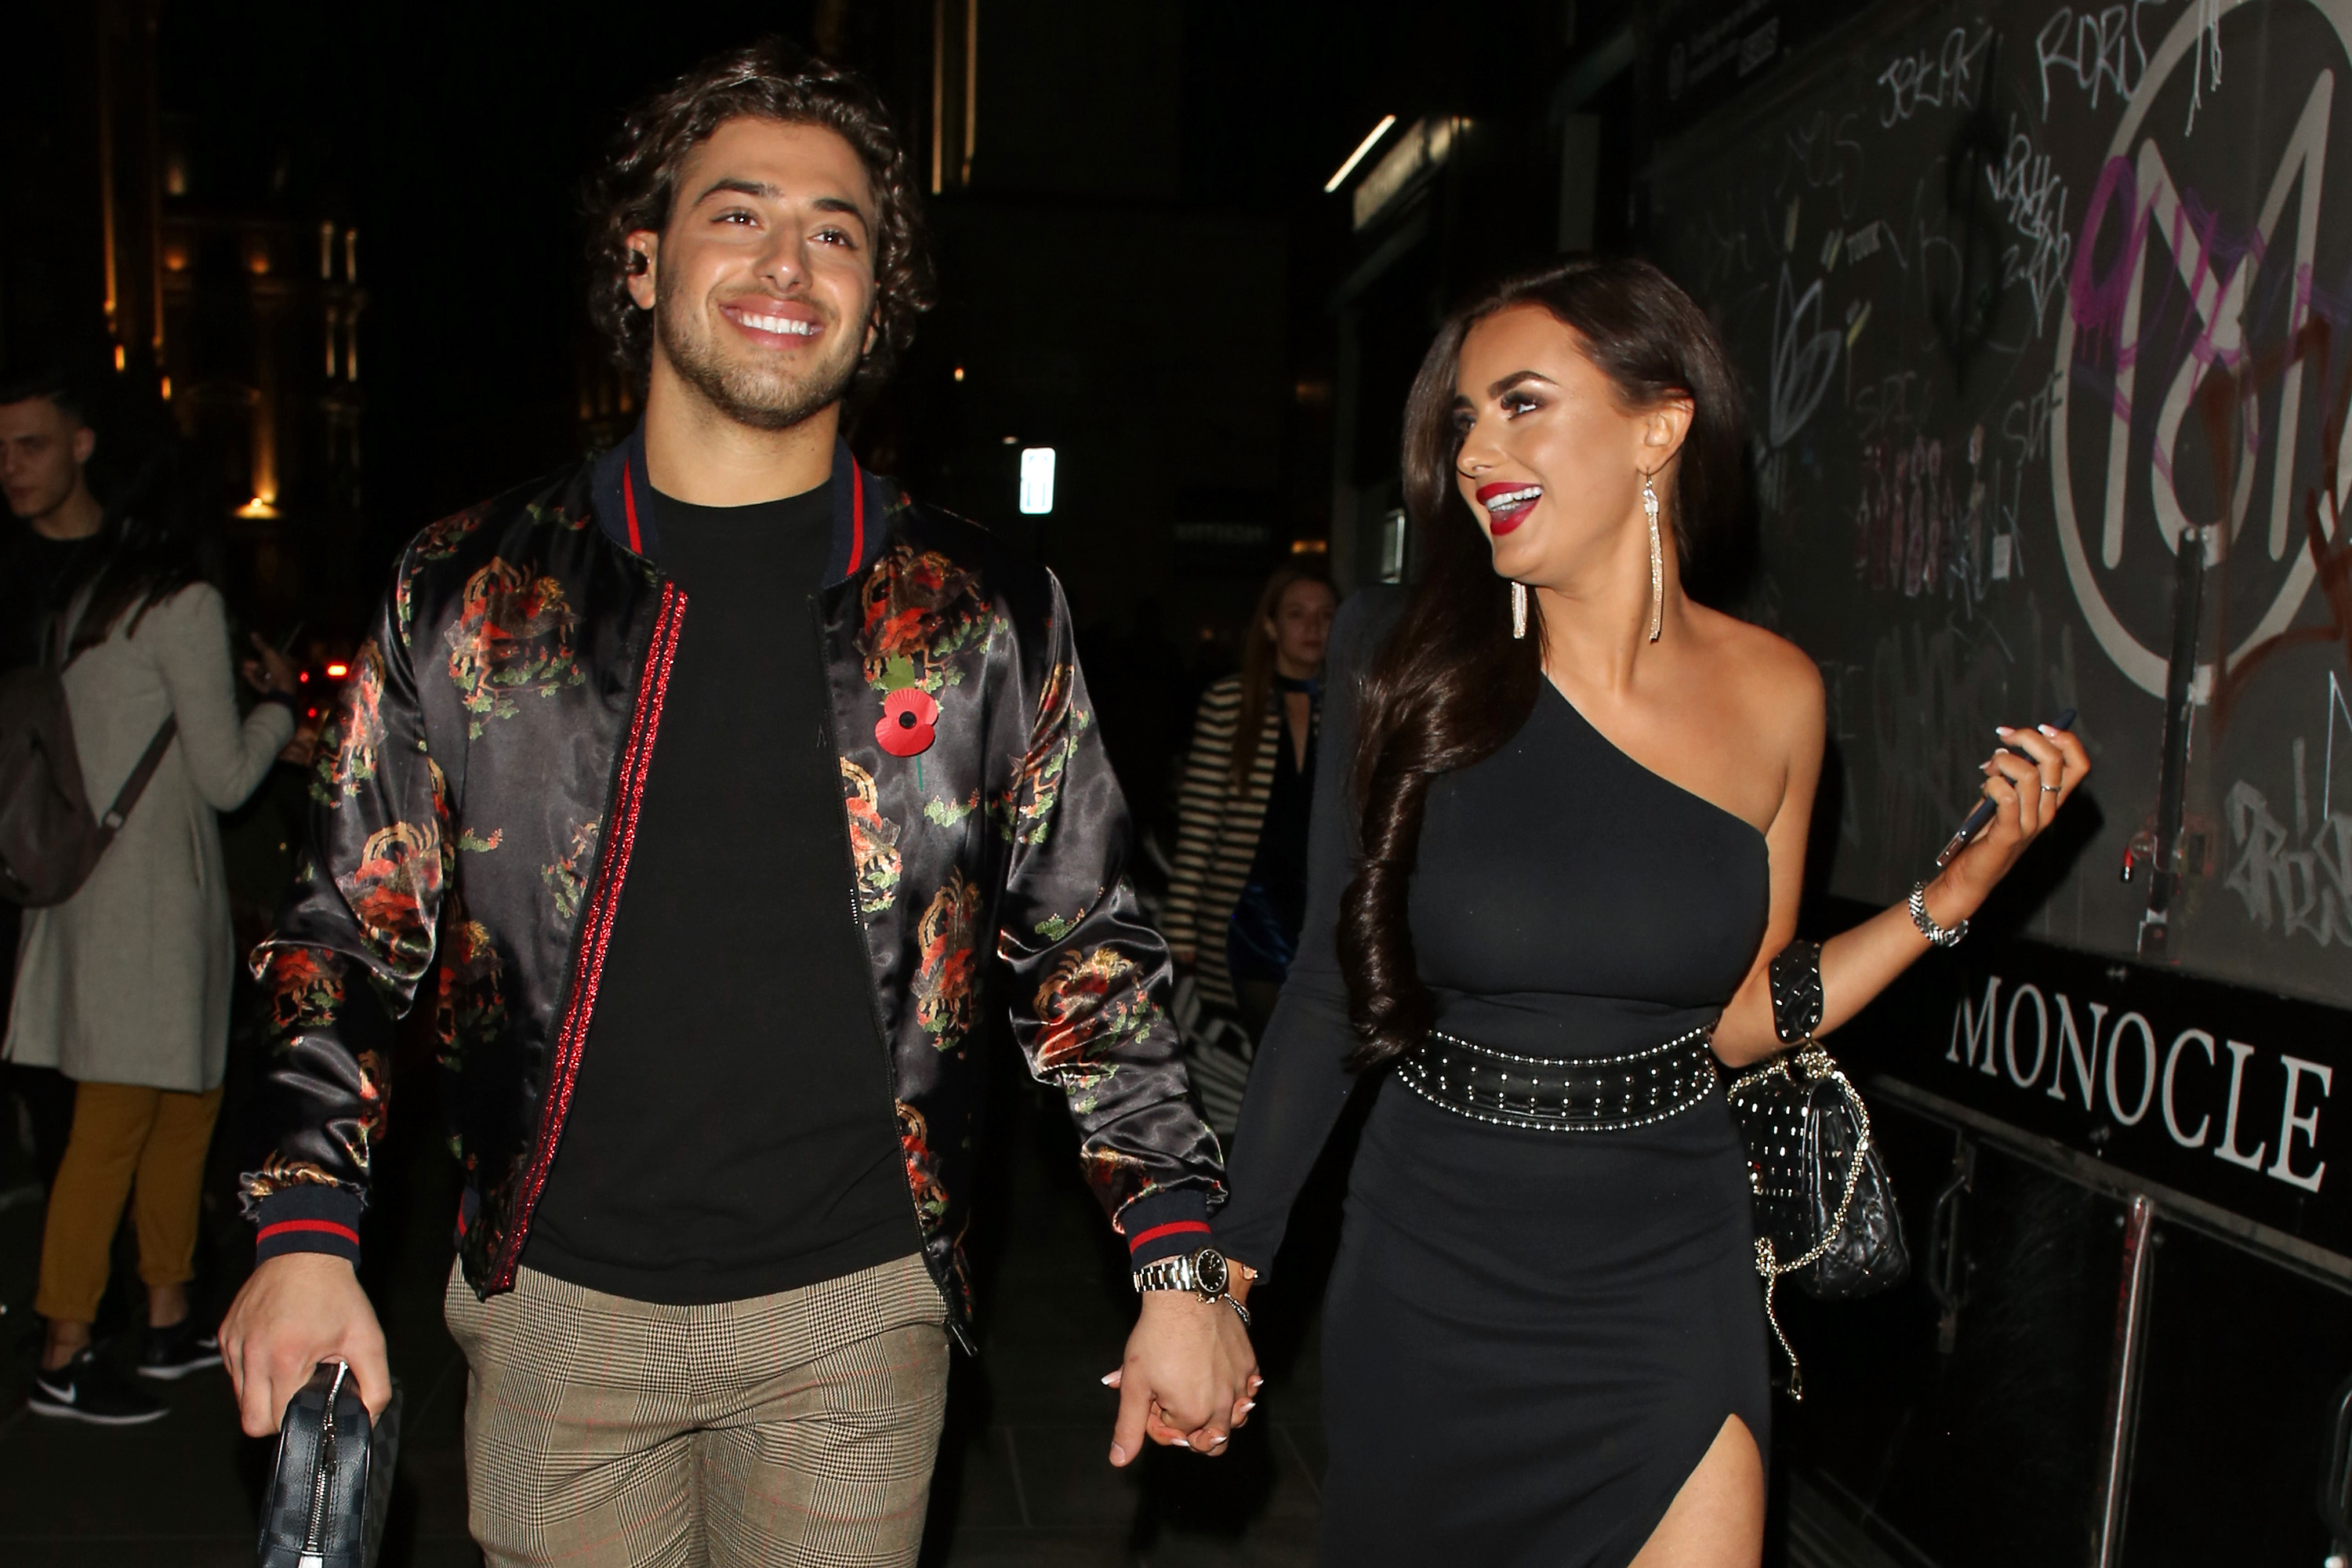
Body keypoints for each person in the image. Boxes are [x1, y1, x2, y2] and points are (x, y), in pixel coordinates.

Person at [219, 39, 1254, 1568]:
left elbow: (1083, 942)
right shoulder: (468, 590)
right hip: (557, 1300)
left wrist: (1178, 1254)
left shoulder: (980, 610)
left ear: (878, 296)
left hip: (857, 1306)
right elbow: (339, 930)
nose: (790, 260)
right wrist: (304, 1229)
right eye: (739, 214)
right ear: (641, 262)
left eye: (837, 231)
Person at [1205, 258, 2087, 1566]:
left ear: (1659, 427)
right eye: (1462, 421)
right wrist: (1215, 1279)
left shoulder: (1778, 693)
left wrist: (1948, 900)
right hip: (1438, 1251)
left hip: (1670, 1259)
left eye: (1521, 406)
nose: (1477, 451)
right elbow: (1335, 989)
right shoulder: (1401, 653)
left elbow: (1744, 1019)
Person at [4, 422, 301, 1424]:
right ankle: (65, 1347)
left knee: (184, 1107)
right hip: (153, 910)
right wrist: (281, 713)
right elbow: (224, 777)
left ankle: (169, 1317)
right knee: (125, 1124)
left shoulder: (91, 607)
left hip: (104, 898)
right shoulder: (182, 605)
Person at [0, 372, 115, 1191]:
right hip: (17, 849)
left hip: (108, 847)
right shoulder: (6, 569)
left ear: (81, 445)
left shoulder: (139, 562)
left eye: (29, 444)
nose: (10, 466)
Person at [1166, 565, 1337, 1043]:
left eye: (1326, 615)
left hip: (1322, 912)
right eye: (1297, 614)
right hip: (1248, 909)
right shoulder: (1230, 703)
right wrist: (1180, 930)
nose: (1313, 627)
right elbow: (1199, 824)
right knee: (1268, 1047)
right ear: (1271, 626)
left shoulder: (1352, 706)